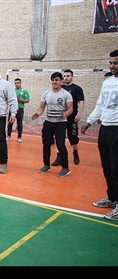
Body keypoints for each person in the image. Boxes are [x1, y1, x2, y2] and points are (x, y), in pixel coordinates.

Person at [81, 49, 118, 221]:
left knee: (117, 168)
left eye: (115, 63)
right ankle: (111, 198)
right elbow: (100, 104)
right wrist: (89, 121)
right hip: (105, 129)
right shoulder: (108, 82)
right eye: (111, 63)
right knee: (107, 167)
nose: (112, 66)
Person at [32, 72, 73, 177]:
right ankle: (46, 165)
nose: (54, 82)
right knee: (46, 145)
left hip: (60, 123)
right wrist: (38, 113)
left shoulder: (66, 94)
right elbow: (42, 107)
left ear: (61, 81)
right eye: (53, 80)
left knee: (60, 145)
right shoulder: (46, 93)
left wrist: (65, 114)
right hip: (48, 122)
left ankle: (65, 168)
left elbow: (71, 108)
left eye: (57, 80)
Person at [51, 69, 84, 166]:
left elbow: (81, 102)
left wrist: (79, 114)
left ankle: (75, 152)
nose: (66, 77)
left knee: (72, 137)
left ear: (72, 77)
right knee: (59, 137)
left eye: (68, 76)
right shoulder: (60, 88)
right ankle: (59, 157)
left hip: (72, 117)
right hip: (60, 117)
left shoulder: (77, 89)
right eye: (64, 76)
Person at [7, 78, 29, 143]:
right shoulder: (12, 91)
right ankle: (8, 136)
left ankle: (19, 137)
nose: (16, 84)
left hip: (20, 108)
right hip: (12, 108)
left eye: (18, 83)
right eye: (15, 83)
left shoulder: (24, 91)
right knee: (10, 123)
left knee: (19, 123)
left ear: (20, 83)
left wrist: (20, 99)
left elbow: (27, 100)